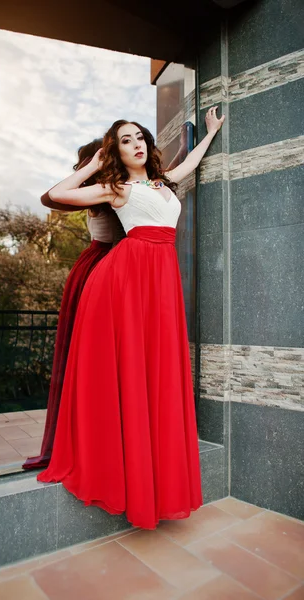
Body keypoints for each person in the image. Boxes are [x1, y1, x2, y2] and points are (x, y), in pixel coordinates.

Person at [38, 108, 225, 529]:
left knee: (156, 372)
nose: (137, 143)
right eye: (125, 139)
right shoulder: (115, 188)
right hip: (126, 281)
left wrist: (210, 134)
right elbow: (54, 196)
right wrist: (91, 166)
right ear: (115, 151)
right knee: (130, 370)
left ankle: (152, 474)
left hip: (160, 280)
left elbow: (188, 165)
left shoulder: (163, 182)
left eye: (139, 136)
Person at [23, 139, 123, 469]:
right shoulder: (101, 192)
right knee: (88, 360)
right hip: (99, 273)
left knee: (102, 362)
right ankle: (82, 446)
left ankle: (100, 444)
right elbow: (48, 198)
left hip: (106, 271)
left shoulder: (116, 190)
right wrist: (93, 167)